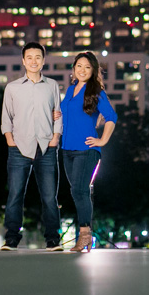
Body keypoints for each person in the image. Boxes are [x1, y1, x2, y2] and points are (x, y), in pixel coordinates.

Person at [0, 42, 63, 251]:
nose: (34, 61)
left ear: (43, 60)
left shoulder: (52, 85)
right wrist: (10, 139)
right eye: (30, 57)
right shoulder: (12, 87)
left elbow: (57, 113)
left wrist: (55, 138)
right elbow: (6, 117)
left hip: (47, 147)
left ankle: (53, 239)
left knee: (49, 196)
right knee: (15, 194)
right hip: (19, 147)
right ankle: (11, 238)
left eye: (38, 57)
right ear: (23, 60)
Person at [58, 51, 117, 252]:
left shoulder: (96, 92)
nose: (82, 70)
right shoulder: (71, 90)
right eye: (79, 66)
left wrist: (102, 139)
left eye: (87, 67)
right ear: (74, 68)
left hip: (86, 149)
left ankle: (84, 235)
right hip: (67, 150)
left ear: (93, 71)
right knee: (77, 192)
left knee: (79, 190)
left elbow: (111, 117)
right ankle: (84, 233)